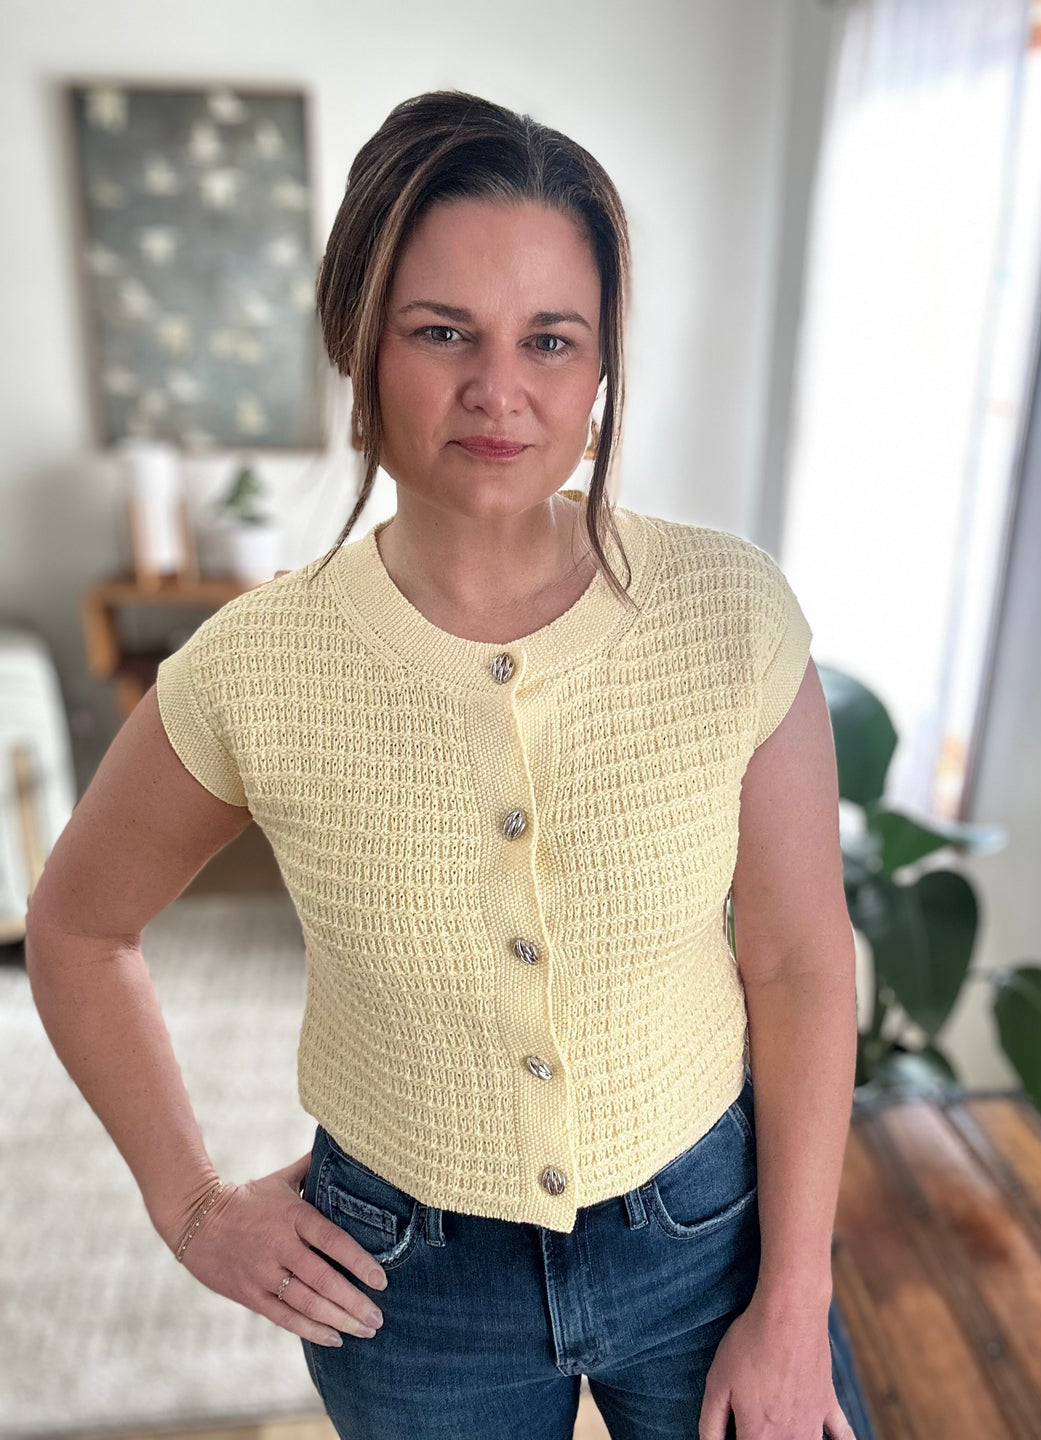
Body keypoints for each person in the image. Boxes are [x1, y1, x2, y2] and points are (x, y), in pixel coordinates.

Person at [25, 91, 876, 1440]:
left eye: (552, 338)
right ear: (357, 344)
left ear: (600, 366)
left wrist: (792, 1300)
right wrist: (189, 1207)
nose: (500, 391)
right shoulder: (257, 667)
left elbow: (799, 962)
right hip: (406, 1286)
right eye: (442, 334)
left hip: (708, 1240)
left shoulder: (728, 615)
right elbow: (75, 925)